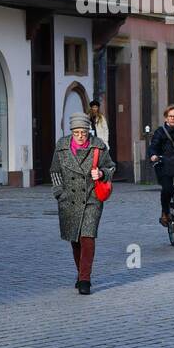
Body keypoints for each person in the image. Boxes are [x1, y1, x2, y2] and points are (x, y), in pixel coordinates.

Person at [50, 111, 115, 295]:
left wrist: (102, 173)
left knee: (88, 237)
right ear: (71, 131)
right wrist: (59, 192)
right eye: (76, 132)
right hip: (68, 200)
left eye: (83, 133)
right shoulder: (62, 146)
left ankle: (85, 279)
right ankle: (80, 273)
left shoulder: (98, 147)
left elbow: (111, 166)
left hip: (91, 198)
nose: (80, 136)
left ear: (89, 131)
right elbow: (55, 171)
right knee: (75, 240)